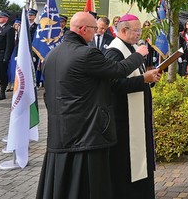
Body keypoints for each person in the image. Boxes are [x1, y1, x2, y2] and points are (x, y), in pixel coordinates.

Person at [36, 11, 149, 199]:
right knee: (88, 185)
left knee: (62, 181)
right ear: (83, 29)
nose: (96, 33)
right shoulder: (86, 53)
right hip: (86, 131)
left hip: (60, 130)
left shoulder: (52, 55)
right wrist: (139, 55)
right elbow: (118, 70)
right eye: (94, 29)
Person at [105, 14, 162, 199]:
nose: (140, 34)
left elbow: (138, 75)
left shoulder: (133, 48)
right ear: (123, 30)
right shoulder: (114, 52)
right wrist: (143, 79)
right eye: (136, 30)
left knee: (140, 161)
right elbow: (113, 85)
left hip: (137, 115)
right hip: (124, 118)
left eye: (140, 30)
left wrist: (150, 78)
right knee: (126, 163)